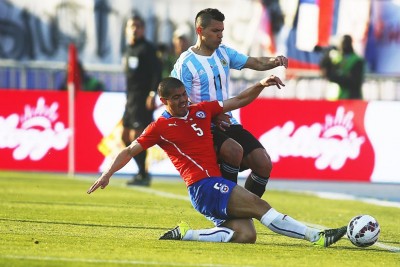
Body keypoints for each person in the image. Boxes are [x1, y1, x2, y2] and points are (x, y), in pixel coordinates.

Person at [87, 76, 347, 246]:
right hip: (203, 186)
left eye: (183, 94)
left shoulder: (201, 110)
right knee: (259, 205)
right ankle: (317, 236)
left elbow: (237, 100)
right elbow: (130, 150)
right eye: (175, 98)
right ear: (164, 101)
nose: (182, 100)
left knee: (246, 235)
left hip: (212, 186)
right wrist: (107, 173)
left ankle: (187, 234)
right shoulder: (160, 127)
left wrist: (260, 84)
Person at [171, 8, 288, 198]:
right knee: (234, 151)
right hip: (202, 125)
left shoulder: (224, 53)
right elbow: (179, 101)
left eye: (222, 31)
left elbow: (255, 62)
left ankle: (246, 210)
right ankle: (228, 209)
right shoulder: (186, 63)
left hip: (227, 121)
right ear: (200, 31)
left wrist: (274, 61)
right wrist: (211, 115)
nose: (220, 36)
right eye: (215, 31)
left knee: (263, 163)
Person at [122, 14, 162, 186]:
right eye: (131, 26)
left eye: (137, 26)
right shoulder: (129, 49)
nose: (134, 29)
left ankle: (143, 174)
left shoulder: (147, 49)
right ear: (127, 29)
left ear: (143, 29)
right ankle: (141, 171)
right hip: (130, 98)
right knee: (125, 136)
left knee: (137, 136)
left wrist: (153, 93)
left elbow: (157, 72)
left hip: (143, 97)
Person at [319, 34, 365, 99]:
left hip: (352, 98)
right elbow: (326, 71)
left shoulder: (357, 60)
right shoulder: (337, 58)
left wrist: (337, 77)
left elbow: (354, 82)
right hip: (336, 98)